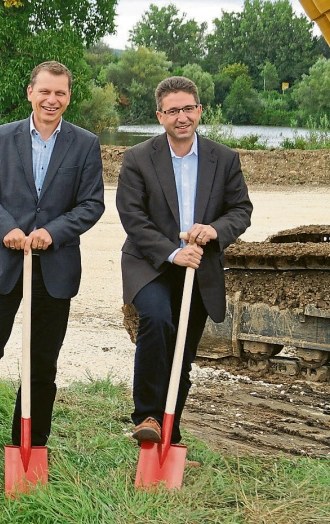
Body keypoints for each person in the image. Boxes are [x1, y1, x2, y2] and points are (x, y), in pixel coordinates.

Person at [0, 61, 105, 456]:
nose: (52, 100)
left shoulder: (85, 144)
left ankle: (29, 444)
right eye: (45, 91)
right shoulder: (1, 137)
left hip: (55, 266)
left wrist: (53, 232)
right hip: (4, 264)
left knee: (42, 361)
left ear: (69, 97)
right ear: (30, 93)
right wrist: (5, 227)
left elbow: (93, 204)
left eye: (60, 93)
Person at [118, 76, 252, 447]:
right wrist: (173, 252)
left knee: (183, 354)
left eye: (188, 108)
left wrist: (214, 230)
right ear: (160, 116)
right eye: (173, 110)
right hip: (150, 262)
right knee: (158, 320)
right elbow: (132, 217)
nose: (182, 117)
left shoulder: (223, 159)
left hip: (199, 267)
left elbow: (241, 210)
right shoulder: (139, 158)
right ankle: (146, 414)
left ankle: (168, 439)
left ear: (200, 111)